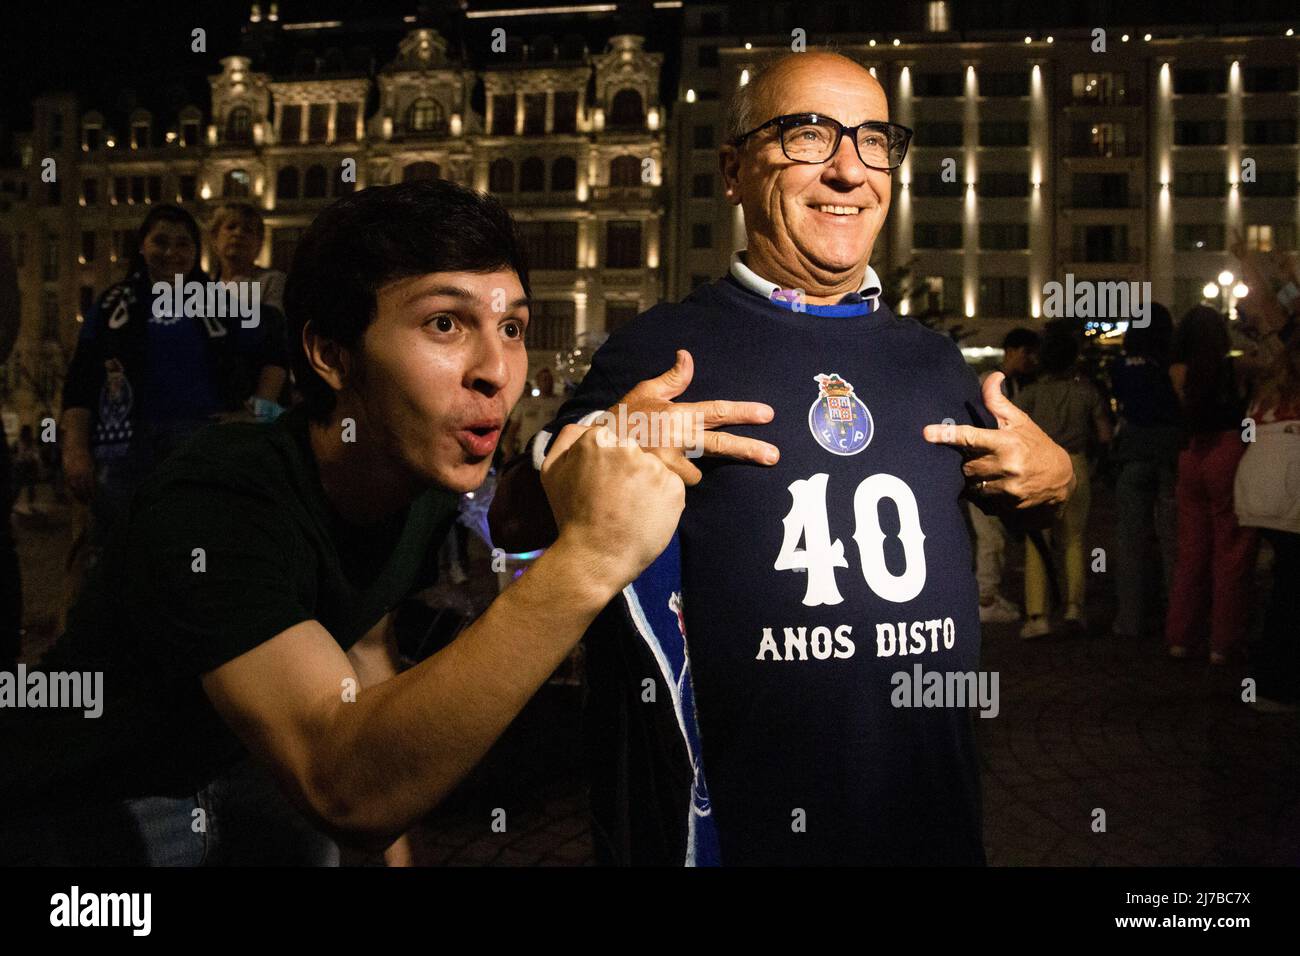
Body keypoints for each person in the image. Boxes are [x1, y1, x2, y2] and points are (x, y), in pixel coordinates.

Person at [490, 50, 1074, 865]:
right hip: (736, 828)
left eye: (874, 141)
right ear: (732, 170)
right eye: (808, 135)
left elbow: (1027, 494)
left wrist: (1057, 477)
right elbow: (513, 521)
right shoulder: (659, 349)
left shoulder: (938, 363)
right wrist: (598, 454)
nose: (848, 170)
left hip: (928, 823)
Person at [0, 180, 684, 865]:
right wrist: (589, 559)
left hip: (232, 760)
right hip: (83, 798)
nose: (496, 372)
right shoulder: (221, 498)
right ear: (331, 355)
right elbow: (343, 786)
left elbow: (364, 649)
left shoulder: (418, 478)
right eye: (445, 323)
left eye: (512, 328)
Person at [59, 205, 288, 580]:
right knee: (117, 560)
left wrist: (259, 412)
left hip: (198, 444)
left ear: (196, 251)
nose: (171, 252)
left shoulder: (220, 302)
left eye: (183, 243)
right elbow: (81, 380)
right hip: (123, 448)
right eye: (161, 241)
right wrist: (75, 450)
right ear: (142, 246)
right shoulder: (114, 303)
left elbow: (274, 351)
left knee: (193, 557)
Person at [1165, 306, 1258, 664]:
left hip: (1190, 455)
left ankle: (1181, 637)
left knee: (1191, 551)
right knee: (1231, 552)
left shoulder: (1176, 371)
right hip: (1228, 449)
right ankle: (1224, 641)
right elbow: (1275, 361)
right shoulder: (1235, 368)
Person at [1015, 323, 1112, 638]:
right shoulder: (1086, 392)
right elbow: (1104, 434)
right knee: (1074, 539)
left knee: (1036, 541)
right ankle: (1073, 607)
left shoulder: (1030, 395)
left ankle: (1038, 614)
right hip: (1075, 463)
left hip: (1038, 465)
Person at [1233, 329, 1300, 710]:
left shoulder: (1268, 395)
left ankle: (1265, 675)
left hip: (1258, 486)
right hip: (1291, 492)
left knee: (1284, 584)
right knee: (1289, 592)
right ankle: (1275, 683)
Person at [1109, 304, 1181, 638]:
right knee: (1173, 540)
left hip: (1133, 453)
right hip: (1169, 451)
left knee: (1130, 541)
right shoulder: (1169, 363)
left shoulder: (1120, 365)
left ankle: (1129, 619)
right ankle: (1178, 615)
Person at [970, 327, 1039, 624]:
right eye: (1027, 353)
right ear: (1012, 351)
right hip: (986, 468)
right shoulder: (992, 382)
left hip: (999, 469)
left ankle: (988, 594)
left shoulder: (1015, 384)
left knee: (994, 536)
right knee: (990, 537)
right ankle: (985, 598)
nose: (1031, 360)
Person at [208, 201, 291, 420]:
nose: (239, 234)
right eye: (231, 227)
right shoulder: (202, 289)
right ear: (214, 238)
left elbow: (274, 341)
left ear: (259, 243)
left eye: (248, 230)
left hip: (258, 398)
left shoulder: (273, 282)